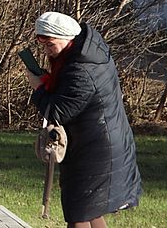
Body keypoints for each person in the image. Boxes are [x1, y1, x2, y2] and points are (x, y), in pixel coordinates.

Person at [26, 12, 142, 228]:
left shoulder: (81, 69)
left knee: (78, 212)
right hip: (97, 142)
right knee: (89, 210)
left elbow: (58, 111)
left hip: (96, 149)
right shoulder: (84, 54)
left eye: (50, 44)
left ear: (66, 37)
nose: (46, 50)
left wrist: (39, 88)